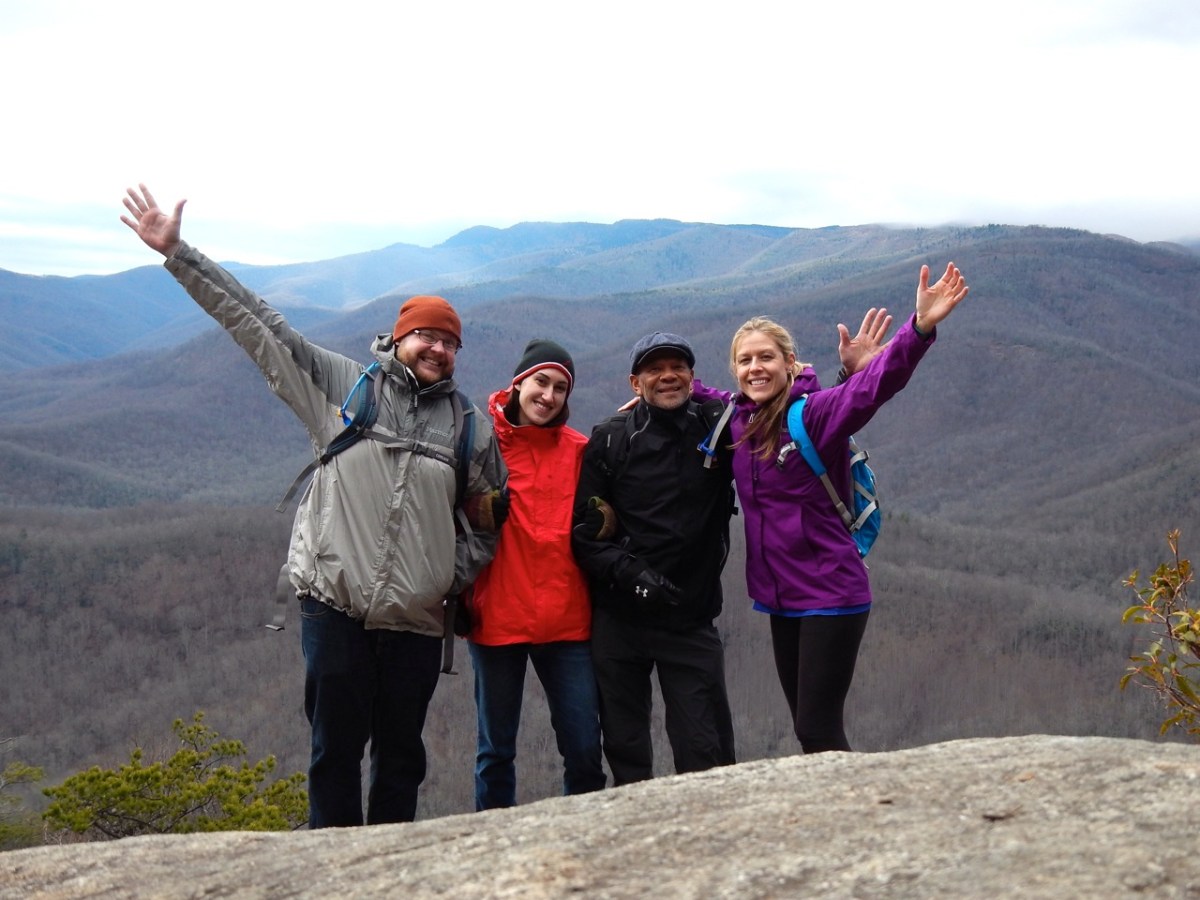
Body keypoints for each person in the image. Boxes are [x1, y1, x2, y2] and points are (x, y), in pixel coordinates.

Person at [120, 184, 507, 826]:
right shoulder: (344, 388)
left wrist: (444, 576)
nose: (437, 349)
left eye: (449, 342)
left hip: (415, 620)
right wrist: (180, 254)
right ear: (400, 338)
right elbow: (258, 324)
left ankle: (390, 873)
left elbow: (486, 522)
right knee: (334, 752)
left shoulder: (471, 428)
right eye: (425, 337)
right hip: (335, 606)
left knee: (402, 759)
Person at [697, 262, 969, 753]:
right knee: (807, 728)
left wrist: (920, 327)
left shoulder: (817, 414)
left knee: (818, 728)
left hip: (831, 592)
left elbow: (875, 386)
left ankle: (861, 817)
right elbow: (702, 393)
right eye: (744, 361)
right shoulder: (737, 419)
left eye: (766, 358)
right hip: (780, 596)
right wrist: (659, 384)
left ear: (791, 363)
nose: (755, 368)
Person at [570, 332, 739, 785]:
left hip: (691, 617)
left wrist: (846, 375)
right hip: (620, 620)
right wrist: (633, 575)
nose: (667, 376)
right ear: (634, 382)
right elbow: (585, 536)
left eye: (677, 367)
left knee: (707, 751)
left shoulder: (719, 428)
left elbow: (785, 412)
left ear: (692, 376)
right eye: (654, 369)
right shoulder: (609, 441)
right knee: (626, 749)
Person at [466, 339, 606, 810]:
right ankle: (495, 855)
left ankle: (578, 846)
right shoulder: (479, 444)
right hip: (497, 619)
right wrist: (473, 509)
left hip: (566, 621)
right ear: (518, 383)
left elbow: (611, 509)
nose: (548, 396)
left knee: (585, 749)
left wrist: (607, 520)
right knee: (496, 753)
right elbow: (437, 506)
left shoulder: (582, 450)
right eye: (541, 382)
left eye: (560, 388)